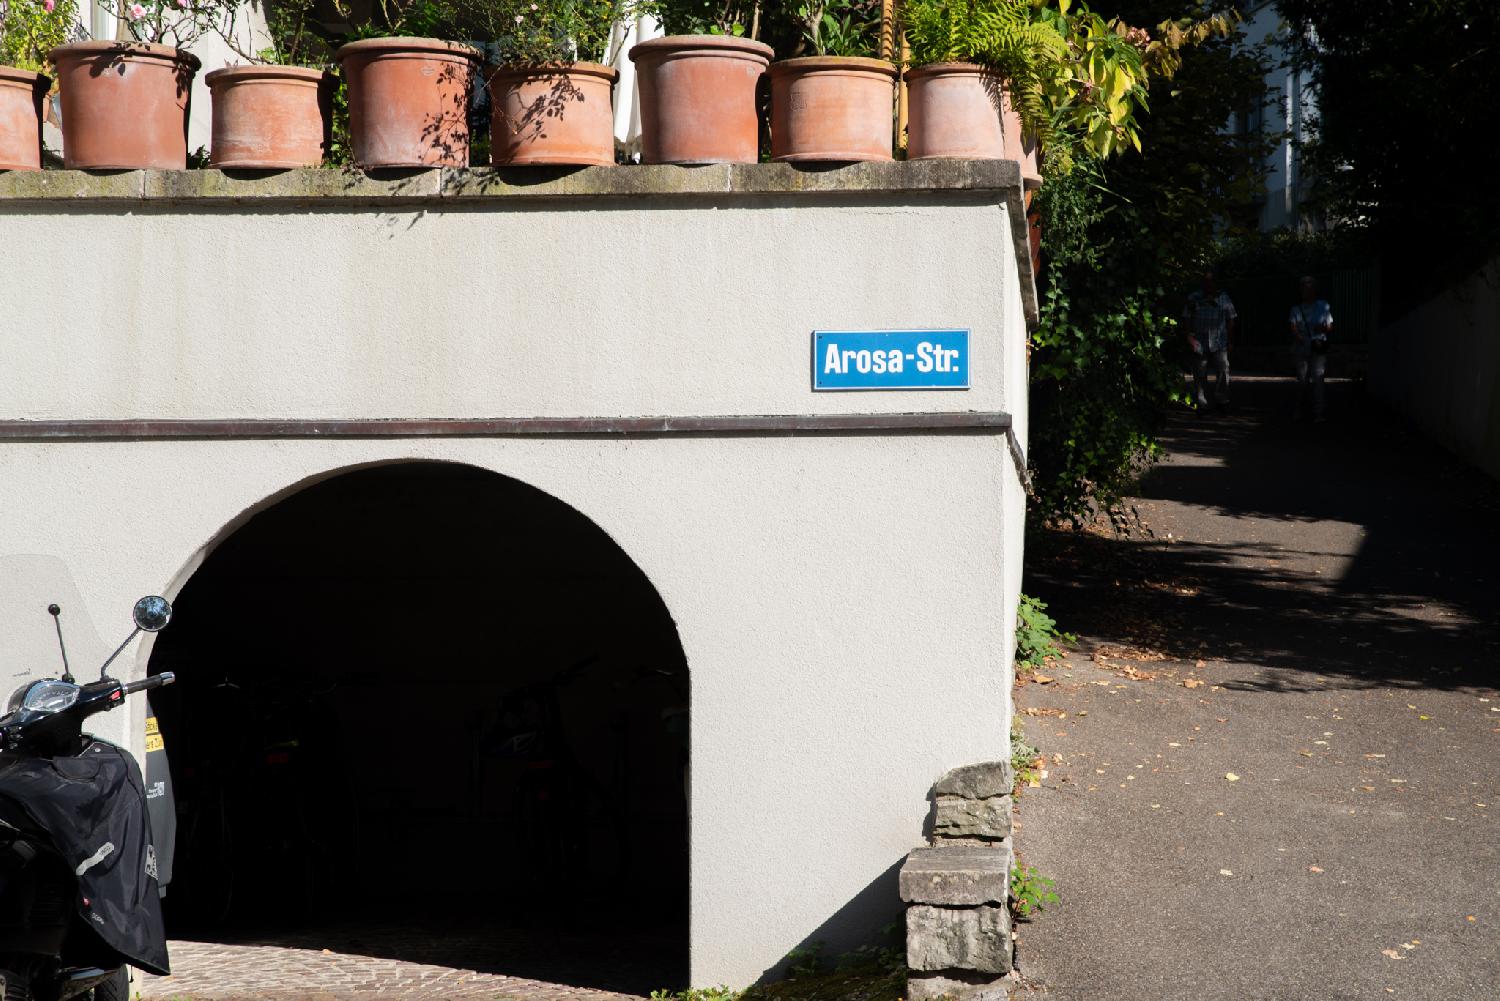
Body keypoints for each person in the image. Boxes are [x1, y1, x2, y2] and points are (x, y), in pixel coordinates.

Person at [1183, 270, 1237, 408]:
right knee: (1199, 373)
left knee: (1223, 370)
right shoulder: (1193, 297)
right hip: (1199, 342)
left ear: (1215, 283)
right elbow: (1187, 318)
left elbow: (1231, 319)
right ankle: (1201, 403)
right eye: (1206, 281)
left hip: (1219, 341)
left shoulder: (1223, 298)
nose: (1208, 284)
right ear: (1202, 283)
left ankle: (1222, 400)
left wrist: (1230, 341)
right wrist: (1189, 336)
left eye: (1211, 281)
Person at [1289, 275, 1333, 422]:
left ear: (1314, 290)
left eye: (1309, 288)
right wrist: (1301, 339)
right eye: (1303, 288)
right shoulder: (1296, 309)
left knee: (1319, 379)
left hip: (1318, 346)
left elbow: (1329, 326)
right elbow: (1293, 328)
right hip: (1302, 348)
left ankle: (1318, 412)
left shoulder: (1323, 306)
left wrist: (1320, 328)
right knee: (1302, 381)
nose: (1306, 291)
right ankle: (1298, 408)